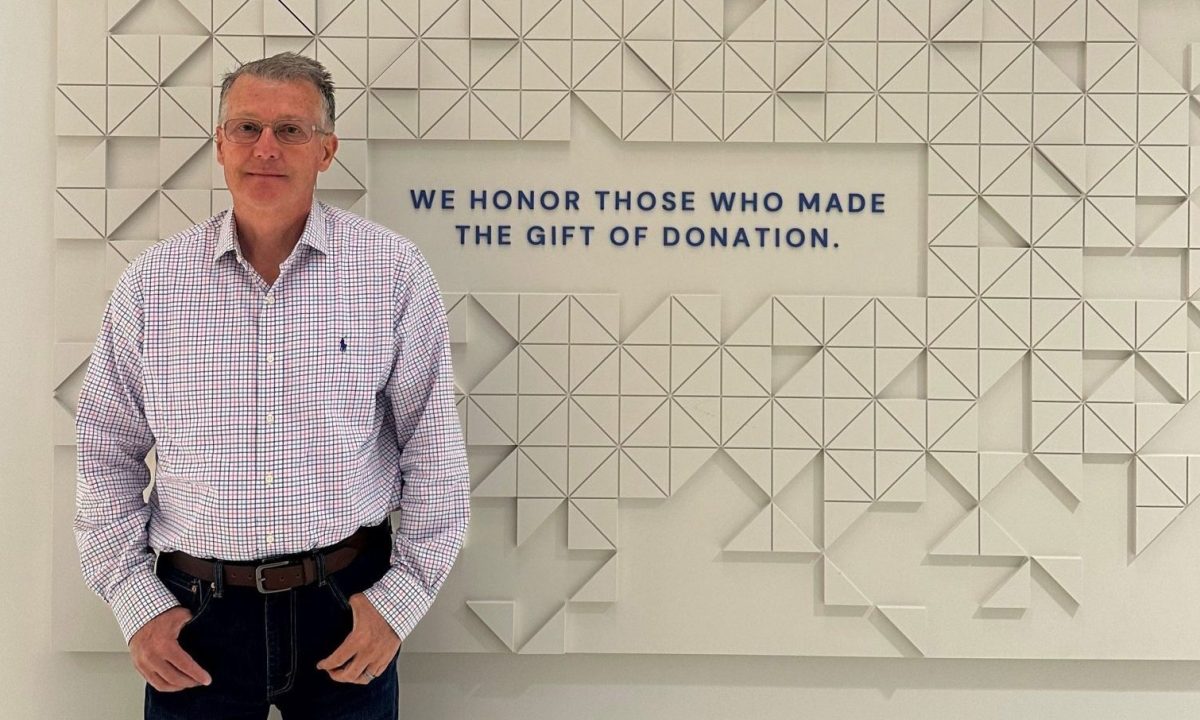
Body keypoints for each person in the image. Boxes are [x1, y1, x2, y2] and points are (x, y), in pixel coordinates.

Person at [73, 52, 470, 720]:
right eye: (247, 127)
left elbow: (434, 453)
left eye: (291, 130)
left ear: (326, 150)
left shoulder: (392, 274)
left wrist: (399, 602)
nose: (266, 148)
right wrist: (134, 602)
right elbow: (104, 454)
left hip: (345, 606)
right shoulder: (151, 286)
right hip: (194, 618)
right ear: (221, 144)